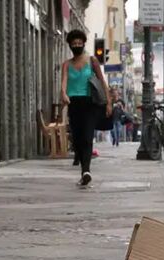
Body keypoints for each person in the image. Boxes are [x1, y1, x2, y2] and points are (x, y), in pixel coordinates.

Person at [60, 29, 111, 188]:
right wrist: (63, 94)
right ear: (70, 45)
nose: (76, 45)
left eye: (79, 43)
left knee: (87, 137)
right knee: (77, 140)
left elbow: (102, 82)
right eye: (73, 43)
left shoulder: (92, 60)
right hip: (73, 104)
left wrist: (109, 102)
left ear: (83, 43)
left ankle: (86, 171)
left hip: (90, 103)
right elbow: (63, 83)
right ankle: (84, 172)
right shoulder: (67, 64)